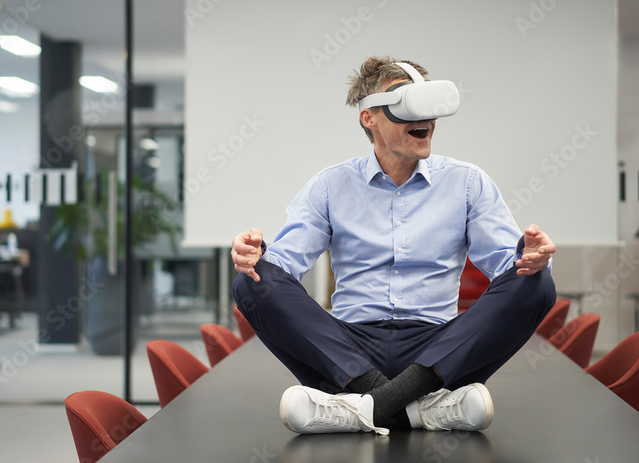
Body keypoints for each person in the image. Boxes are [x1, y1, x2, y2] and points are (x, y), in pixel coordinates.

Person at [231, 56, 556, 436]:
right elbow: (283, 264)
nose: (424, 120)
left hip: (438, 348)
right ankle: (422, 408)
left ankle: (361, 410)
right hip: (348, 349)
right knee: (251, 281)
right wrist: (256, 257)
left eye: (427, 106)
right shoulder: (329, 185)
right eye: (404, 105)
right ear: (369, 117)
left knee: (536, 283)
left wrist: (530, 259)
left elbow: (508, 267)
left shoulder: (468, 183)